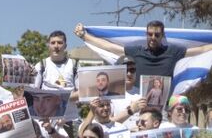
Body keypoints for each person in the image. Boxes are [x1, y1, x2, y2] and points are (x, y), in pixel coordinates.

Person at [76, 20, 212, 82]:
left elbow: (201, 49)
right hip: (137, 102)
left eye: (157, 35)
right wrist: (84, 35)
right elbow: (109, 47)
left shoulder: (173, 51)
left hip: (163, 104)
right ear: (146, 34)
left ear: (163, 36)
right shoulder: (137, 51)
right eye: (150, 34)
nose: (153, 37)